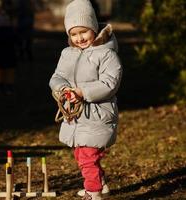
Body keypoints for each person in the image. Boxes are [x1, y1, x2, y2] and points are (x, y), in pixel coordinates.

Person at [49, 0, 122, 199]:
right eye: (73, 34)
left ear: (93, 28)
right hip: (75, 116)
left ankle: (94, 192)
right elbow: (57, 77)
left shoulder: (106, 54)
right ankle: (100, 183)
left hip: (96, 114)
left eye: (84, 32)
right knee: (81, 154)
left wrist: (82, 92)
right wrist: (63, 89)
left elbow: (109, 83)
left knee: (88, 157)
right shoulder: (67, 54)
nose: (79, 38)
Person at [0, 6, 18, 95]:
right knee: (9, 72)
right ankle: (9, 88)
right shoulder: (12, 31)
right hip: (10, 55)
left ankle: (0, 87)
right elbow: (18, 40)